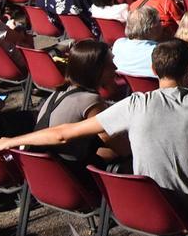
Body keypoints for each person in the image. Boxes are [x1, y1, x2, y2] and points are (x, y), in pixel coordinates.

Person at [0, 39, 188, 213]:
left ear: (153, 69)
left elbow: (62, 134)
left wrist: (10, 141)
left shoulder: (133, 104)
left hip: (146, 204)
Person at [33, 40, 129, 172]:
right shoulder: (90, 100)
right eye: (109, 64)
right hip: (71, 173)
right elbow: (121, 148)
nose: (115, 68)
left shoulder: (59, 92)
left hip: (47, 168)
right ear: (95, 71)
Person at [112, 7, 162, 77]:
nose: (162, 24)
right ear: (151, 27)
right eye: (159, 21)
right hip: (156, 86)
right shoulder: (160, 53)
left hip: (128, 86)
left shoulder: (118, 44)